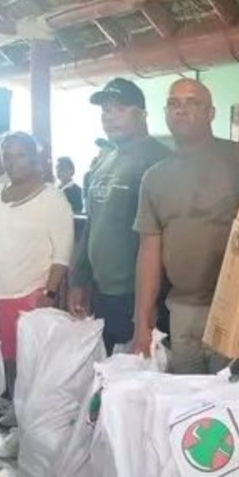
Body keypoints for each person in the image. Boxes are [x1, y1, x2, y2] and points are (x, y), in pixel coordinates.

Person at [130, 78, 239, 373]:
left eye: (192, 103)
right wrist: (142, 323)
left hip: (236, 309)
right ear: (165, 113)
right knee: (186, 397)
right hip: (182, 311)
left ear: (211, 113)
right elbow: (149, 251)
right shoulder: (154, 177)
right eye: (174, 104)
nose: (181, 109)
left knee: (233, 398)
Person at [0, 132, 74, 409]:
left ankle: (27, 417)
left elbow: (62, 255)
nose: (13, 162)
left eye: (21, 155)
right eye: (7, 155)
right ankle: (13, 410)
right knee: (0, 359)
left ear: (34, 157)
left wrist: (48, 293)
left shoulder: (52, 198)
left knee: (28, 364)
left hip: (30, 296)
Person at [68, 78, 171, 349]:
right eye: (105, 110)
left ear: (143, 114)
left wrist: (149, 305)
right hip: (103, 293)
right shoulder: (104, 163)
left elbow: (167, 234)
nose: (109, 116)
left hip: (140, 295)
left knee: (142, 369)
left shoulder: (159, 160)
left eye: (120, 109)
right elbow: (93, 224)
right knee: (111, 367)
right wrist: (79, 279)